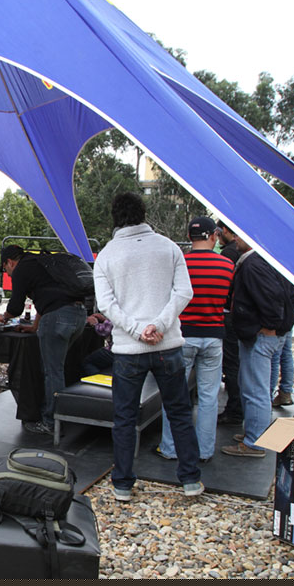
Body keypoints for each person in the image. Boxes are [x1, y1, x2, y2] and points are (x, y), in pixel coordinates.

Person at [93, 192, 203, 502]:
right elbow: (184, 292)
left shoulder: (107, 255)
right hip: (168, 346)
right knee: (179, 412)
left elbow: (106, 304)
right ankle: (190, 479)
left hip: (128, 351)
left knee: (125, 418)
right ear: (144, 213)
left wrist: (136, 329)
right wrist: (160, 325)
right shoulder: (169, 247)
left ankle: (123, 484)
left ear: (115, 217)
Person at [223, 235, 294, 458]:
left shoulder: (253, 264)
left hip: (262, 336)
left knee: (255, 391)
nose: (235, 239)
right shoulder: (268, 260)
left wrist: (268, 326)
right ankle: (254, 433)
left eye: (239, 234)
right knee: (256, 388)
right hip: (267, 335)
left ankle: (254, 442)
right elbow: (286, 292)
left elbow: (271, 298)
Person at [155, 216, 234, 463]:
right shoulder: (227, 265)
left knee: (175, 396)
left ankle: (170, 448)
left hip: (182, 337)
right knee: (209, 397)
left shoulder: (180, 264)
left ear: (189, 236)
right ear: (215, 236)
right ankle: (204, 450)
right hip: (213, 337)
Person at [0, 244, 87, 434]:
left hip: (57, 318)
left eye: (5, 270)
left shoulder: (21, 269)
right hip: (79, 315)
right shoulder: (41, 262)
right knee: (59, 368)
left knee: (52, 372)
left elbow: (16, 307)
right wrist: (35, 327)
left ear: (9, 262)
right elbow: (46, 300)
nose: (8, 274)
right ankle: (65, 416)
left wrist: (4, 317)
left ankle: (51, 422)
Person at [216, 220, 243, 424]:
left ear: (225, 230)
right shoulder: (236, 252)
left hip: (227, 315)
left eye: (219, 232)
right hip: (235, 316)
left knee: (231, 364)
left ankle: (235, 409)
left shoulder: (229, 254)